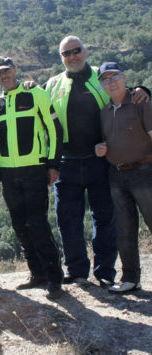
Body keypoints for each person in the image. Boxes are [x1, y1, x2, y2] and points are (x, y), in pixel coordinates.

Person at [45, 35, 150, 287]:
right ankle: (77, 270)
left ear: (86, 50)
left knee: (105, 218)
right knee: (67, 218)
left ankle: (104, 272)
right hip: (66, 161)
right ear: (61, 58)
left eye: (76, 50)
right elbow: (39, 106)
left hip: (100, 161)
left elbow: (121, 89)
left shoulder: (99, 76)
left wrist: (144, 90)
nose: (72, 56)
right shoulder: (52, 83)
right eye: (66, 53)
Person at [0, 56, 64, 299]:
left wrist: (52, 165)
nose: (3, 76)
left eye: (6, 71)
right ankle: (37, 273)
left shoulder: (36, 95)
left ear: (15, 70)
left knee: (37, 224)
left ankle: (54, 277)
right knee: (20, 225)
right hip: (8, 175)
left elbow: (55, 130)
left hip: (34, 170)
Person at [95, 62, 152, 293]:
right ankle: (131, 279)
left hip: (144, 172)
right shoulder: (105, 112)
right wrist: (102, 149)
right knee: (125, 229)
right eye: (105, 80)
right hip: (117, 175)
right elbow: (108, 140)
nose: (111, 82)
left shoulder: (142, 103)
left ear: (124, 77)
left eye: (114, 77)